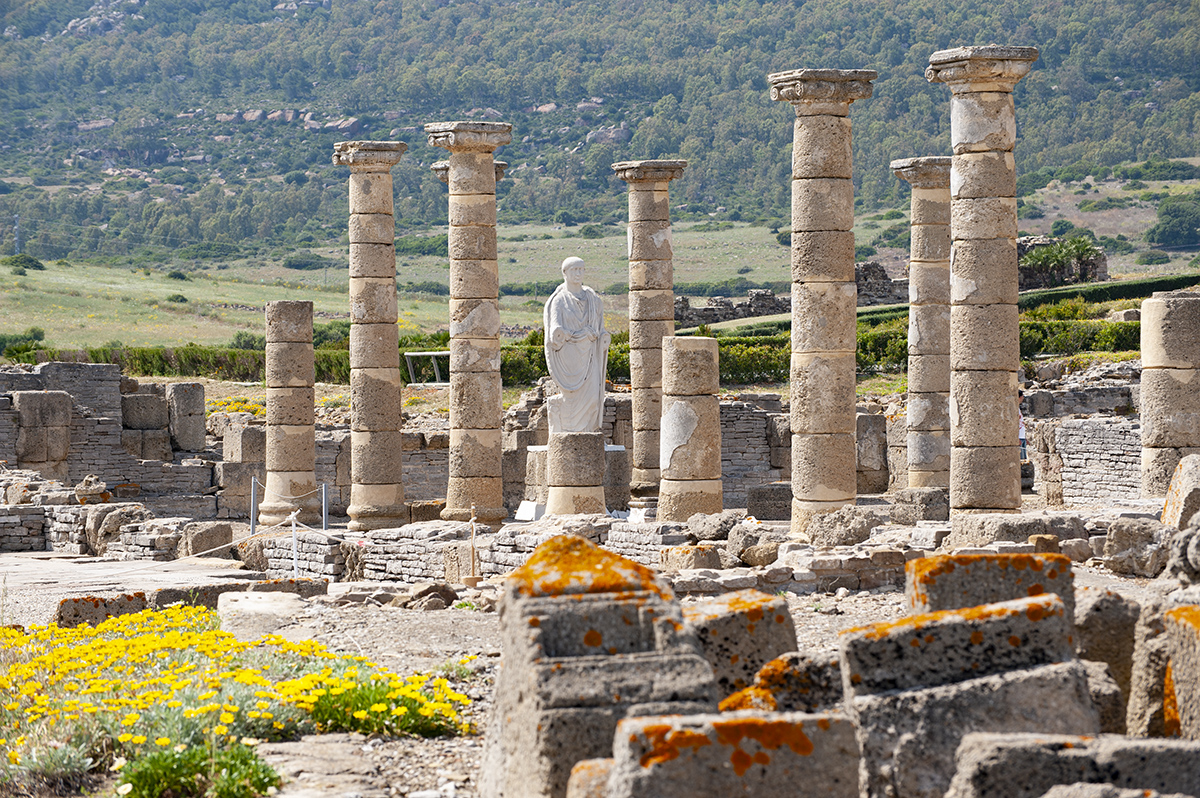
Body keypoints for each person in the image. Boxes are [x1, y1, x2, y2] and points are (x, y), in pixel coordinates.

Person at [543, 257, 611, 433]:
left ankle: (587, 434)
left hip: (590, 354)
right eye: (574, 270)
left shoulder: (593, 299)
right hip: (569, 356)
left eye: (581, 269)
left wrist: (603, 337)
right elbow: (555, 332)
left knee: (593, 398)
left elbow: (600, 328)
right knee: (570, 399)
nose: (579, 273)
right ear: (565, 273)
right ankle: (567, 433)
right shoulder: (559, 300)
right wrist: (575, 334)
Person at [1018, 389, 1027, 460]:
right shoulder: (1014, 409)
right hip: (1018, 438)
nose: (1023, 398)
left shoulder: (1017, 408)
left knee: (1023, 459)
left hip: (1022, 437)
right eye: (1022, 396)